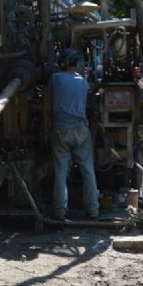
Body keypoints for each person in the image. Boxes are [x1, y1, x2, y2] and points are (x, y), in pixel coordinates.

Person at [46, 48, 99, 220]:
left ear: (61, 62)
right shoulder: (83, 82)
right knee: (88, 170)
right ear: (76, 64)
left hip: (61, 129)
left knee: (61, 171)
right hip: (81, 130)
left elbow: (47, 104)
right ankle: (93, 210)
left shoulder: (55, 79)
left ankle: (60, 212)